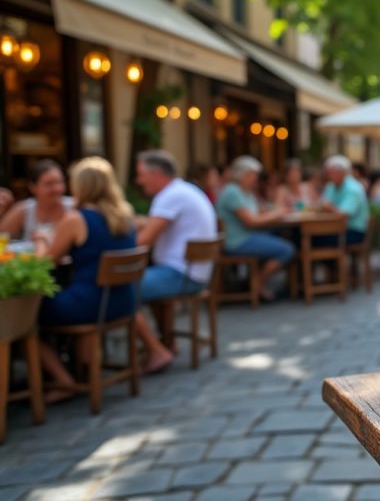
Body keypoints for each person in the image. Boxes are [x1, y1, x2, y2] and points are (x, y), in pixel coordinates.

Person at [33, 157, 137, 402]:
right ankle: (79, 370)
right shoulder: (125, 215)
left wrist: (40, 241)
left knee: (23, 319)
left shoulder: (76, 219)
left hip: (90, 305)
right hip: (123, 301)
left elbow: (44, 264)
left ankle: (62, 380)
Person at [134, 150, 218, 373]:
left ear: (156, 173)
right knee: (146, 282)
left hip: (182, 275)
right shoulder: (184, 191)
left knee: (120, 290)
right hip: (196, 272)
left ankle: (156, 352)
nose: (139, 180)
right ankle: (167, 342)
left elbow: (143, 241)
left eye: (142, 174)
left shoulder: (169, 196)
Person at [216, 156, 294, 301]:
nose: (255, 179)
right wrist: (278, 213)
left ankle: (256, 281)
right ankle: (257, 282)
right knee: (286, 249)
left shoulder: (245, 191)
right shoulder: (233, 192)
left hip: (246, 236)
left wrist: (276, 209)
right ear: (243, 175)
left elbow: (259, 211)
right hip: (237, 241)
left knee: (282, 235)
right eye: (253, 175)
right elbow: (252, 221)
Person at [0, 160, 75, 241]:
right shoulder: (24, 210)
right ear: (33, 187)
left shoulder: (75, 207)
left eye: (59, 182)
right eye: (48, 184)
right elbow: (2, 235)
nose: (56, 189)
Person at [321, 155, 370, 246]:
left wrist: (328, 207)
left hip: (353, 231)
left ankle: (332, 259)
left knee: (317, 240)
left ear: (341, 172)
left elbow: (344, 215)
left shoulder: (353, 188)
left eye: (330, 173)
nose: (327, 176)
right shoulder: (331, 186)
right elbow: (323, 204)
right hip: (334, 228)